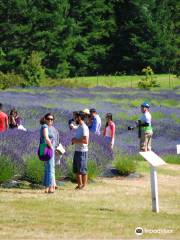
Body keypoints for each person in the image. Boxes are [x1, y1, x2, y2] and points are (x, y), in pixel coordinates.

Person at [40, 113, 57, 193]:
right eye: (48, 119)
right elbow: (47, 138)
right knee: (50, 168)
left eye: (51, 119)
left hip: (45, 148)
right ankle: (50, 187)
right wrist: (52, 147)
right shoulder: (45, 126)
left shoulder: (50, 128)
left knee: (48, 168)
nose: (50, 120)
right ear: (45, 119)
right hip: (48, 148)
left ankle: (47, 187)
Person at [71, 111, 89, 190]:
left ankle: (83, 186)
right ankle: (79, 185)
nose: (75, 119)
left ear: (79, 118)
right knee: (77, 169)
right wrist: (74, 140)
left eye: (76, 117)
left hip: (82, 151)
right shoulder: (79, 127)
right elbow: (79, 138)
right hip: (77, 150)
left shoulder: (84, 127)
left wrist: (75, 141)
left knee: (82, 170)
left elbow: (85, 141)